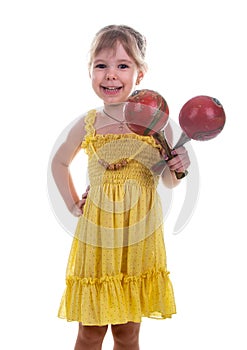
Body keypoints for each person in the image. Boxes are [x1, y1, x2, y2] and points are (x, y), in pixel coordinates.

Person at [51, 24, 190, 350]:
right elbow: (59, 163)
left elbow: (169, 180)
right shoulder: (89, 123)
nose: (111, 75)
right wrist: (74, 204)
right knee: (90, 333)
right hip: (99, 239)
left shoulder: (157, 122)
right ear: (90, 72)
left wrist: (178, 168)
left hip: (138, 238)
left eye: (122, 66)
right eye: (101, 65)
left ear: (140, 74)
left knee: (128, 334)